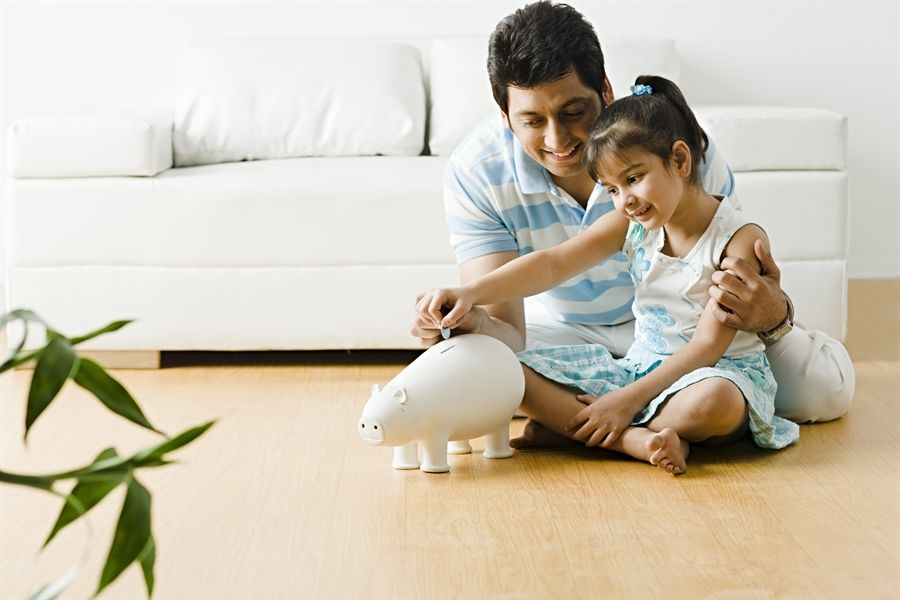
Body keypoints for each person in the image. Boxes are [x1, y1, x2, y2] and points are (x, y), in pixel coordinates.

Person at [410, 0, 853, 425]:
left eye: (573, 111)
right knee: (474, 364)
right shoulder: (477, 172)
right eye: (531, 121)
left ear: (605, 88)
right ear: (505, 116)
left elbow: (716, 314)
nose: (557, 139)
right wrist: (467, 312)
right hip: (570, 330)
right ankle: (633, 429)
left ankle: (587, 421)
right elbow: (543, 277)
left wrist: (772, 314)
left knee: (818, 394)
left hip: (695, 329)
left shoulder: (672, 151)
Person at [416, 75, 800, 474]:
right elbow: (553, 263)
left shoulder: (737, 239)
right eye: (613, 189)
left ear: (681, 161)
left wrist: (627, 401)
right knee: (511, 371)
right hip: (641, 367)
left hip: (713, 373)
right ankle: (634, 439)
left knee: (714, 403)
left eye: (634, 179)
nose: (625, 201)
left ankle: (578, 429)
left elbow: (706, 347)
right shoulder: (633, 222)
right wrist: (471, 292)